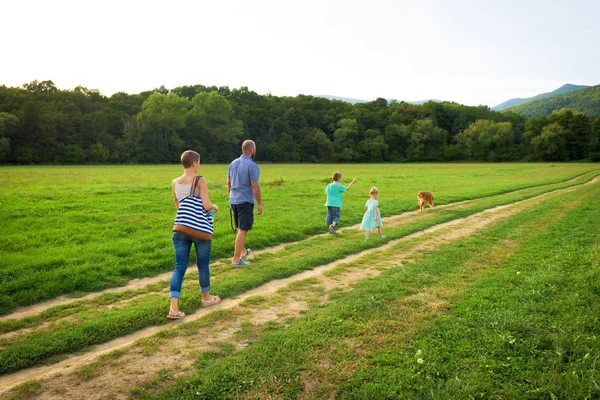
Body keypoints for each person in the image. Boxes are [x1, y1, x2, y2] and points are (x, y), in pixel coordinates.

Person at [168, 150, 220, 319]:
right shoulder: (200, 180)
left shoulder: (175, 182)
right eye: (199, 162)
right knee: (202, 266)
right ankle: (206, 298)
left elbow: (178, 205)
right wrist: (214, 207)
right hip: (199, 230)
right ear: (194, 163)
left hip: (181, 229)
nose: (199, 165)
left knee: (179, 267)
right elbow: (205, 205)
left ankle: (174, 308)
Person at [228, 140, 262, 267]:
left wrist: (231, 196)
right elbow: (255, 186)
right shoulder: (252, 166)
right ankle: (236, 260)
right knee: (243, 229)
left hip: (234, 200)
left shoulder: (233, 163)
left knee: (239, 227)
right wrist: (259, 203)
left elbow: (228, 183)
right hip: (245, 201)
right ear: (252, 150)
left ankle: (243, 251)